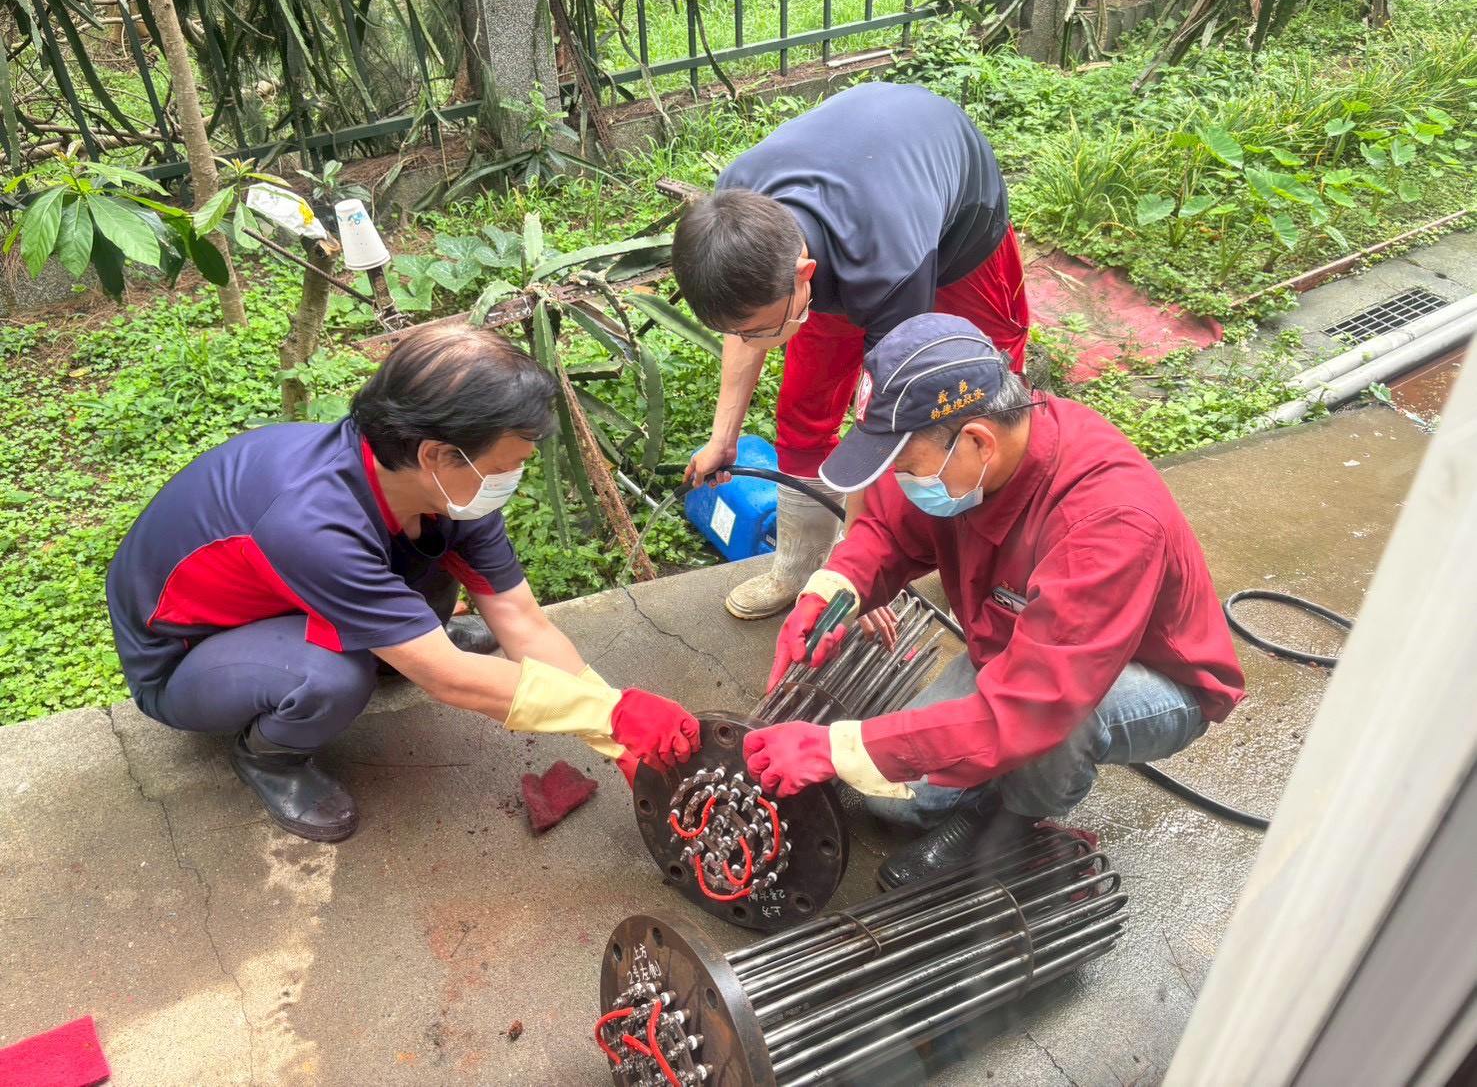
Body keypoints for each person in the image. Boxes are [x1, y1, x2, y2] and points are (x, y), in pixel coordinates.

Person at [106, 324, 700, 844]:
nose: (513, 478)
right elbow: (450, 679)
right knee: (334, 676)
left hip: (289, 595)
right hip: (187, 655)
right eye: (503, 467)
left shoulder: (444, 489)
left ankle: (398, 645)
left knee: (430, 568)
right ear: (438, 454)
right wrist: (611, 717)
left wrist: (618, 729)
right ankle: (271, 756)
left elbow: (521, 620)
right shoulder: (312, 522)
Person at [742, 314, 1244, 887]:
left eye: (905, 467)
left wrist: (832, 748)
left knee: (1067, 721)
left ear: (979, 440)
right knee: (893, 800)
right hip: (1018, 649)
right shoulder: (971, 459)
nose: (901, 480)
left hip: (1141, 680)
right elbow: (888, 530)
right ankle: (991, 778)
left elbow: (1038, 703)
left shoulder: (1107, 521)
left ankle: (1013, 819)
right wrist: (832, 594)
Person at [671, 80, 1031, 621]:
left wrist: (856, 567)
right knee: (803, 408)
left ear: (803, 276)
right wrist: (725, 437)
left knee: (973, 410)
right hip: (859, 204)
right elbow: (744, 319)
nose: (750, 344)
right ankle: (796, 566)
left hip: (959, 230)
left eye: (761, 330)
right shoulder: (739, 214)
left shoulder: (886, 267)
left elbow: (887, 422)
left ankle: (985, 569)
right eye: (742, 331)